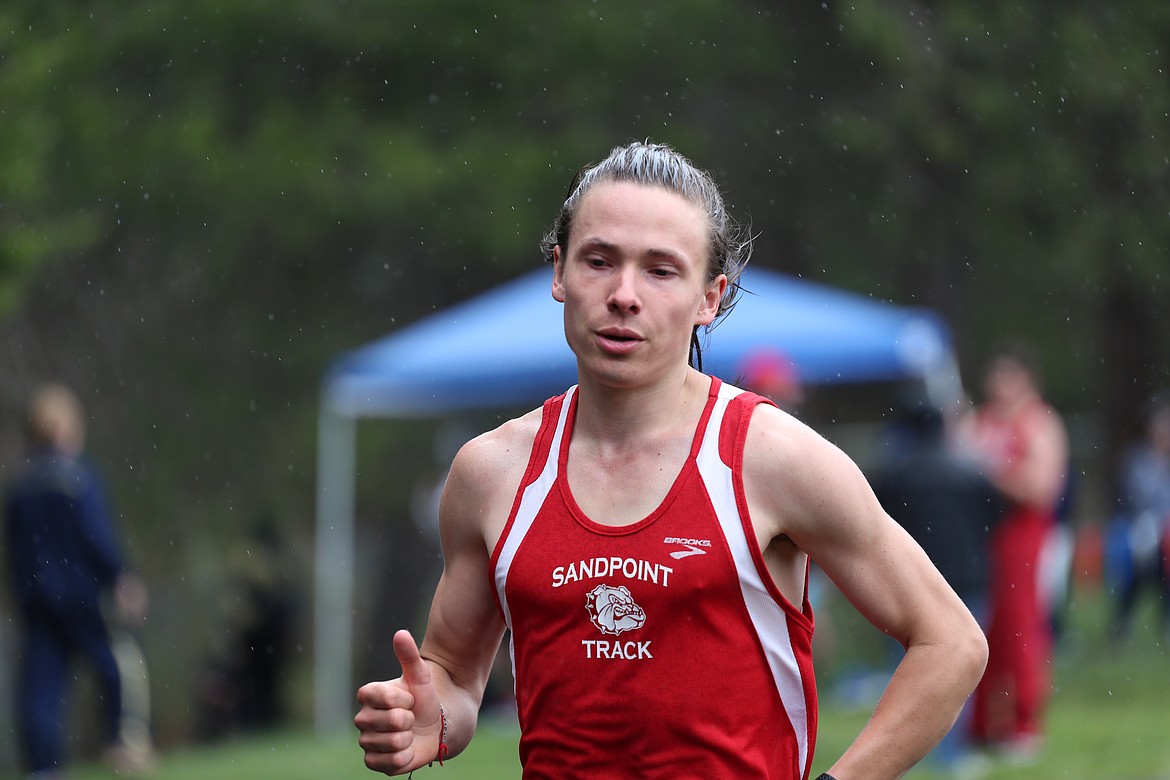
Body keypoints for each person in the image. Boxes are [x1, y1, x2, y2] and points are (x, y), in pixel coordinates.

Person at [355, 141, 987, 779]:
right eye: (599, 261)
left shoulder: (773, 458)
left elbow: (951, 642)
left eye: (661, 270)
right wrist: (426, 719)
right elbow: (457, 680)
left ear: (710, 297)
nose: (623, 294)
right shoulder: (491, 473)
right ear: (559, 273)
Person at [3, 383, 151, 777]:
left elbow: (16, 550)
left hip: (37, 600)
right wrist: (120, 576)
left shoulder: (20, 486)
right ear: (67, 428)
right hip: (82, 596)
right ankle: (121, 743)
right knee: (114, 667)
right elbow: (96, 536)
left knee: (41, 688)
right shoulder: (78, 478)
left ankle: (44, 766)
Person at [871, 394, 1005, 773]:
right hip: (967, 578)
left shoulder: (893, 476)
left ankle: (901, 756)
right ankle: (953, 754)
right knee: (961, 666)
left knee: (904, 672)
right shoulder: (971, 473)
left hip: (908, 583)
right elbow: (995, 518)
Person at [959, 348, 1068, 760]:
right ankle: (981, 723)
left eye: (1007, 378)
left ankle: (1024, 723)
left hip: (1022, 535)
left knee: (1021, 626)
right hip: (982, 534)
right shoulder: (983, 420)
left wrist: (989, 470)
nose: (998, 387)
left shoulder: (1038, 422)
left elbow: (1040, 487)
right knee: (981, 623)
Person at [1110, 395, 1170, 641]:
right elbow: (1136, 496)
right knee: (1138, 565)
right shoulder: (1137, 459)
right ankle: (1123, 622)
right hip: (1142, 527)